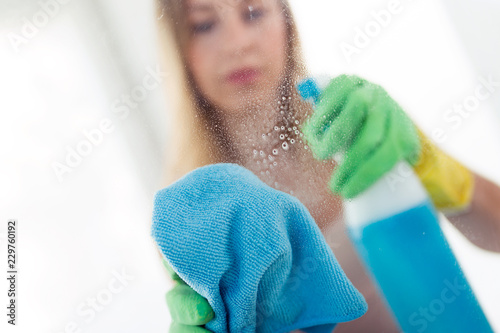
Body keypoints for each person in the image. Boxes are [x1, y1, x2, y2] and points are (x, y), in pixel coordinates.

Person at [153, 0, 500, 332]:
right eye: (204, 24)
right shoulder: (191, 216)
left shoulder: (353, 123)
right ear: (179, 48)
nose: (237, 43)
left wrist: (432, 166)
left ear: (286, 22)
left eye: (254, 12)